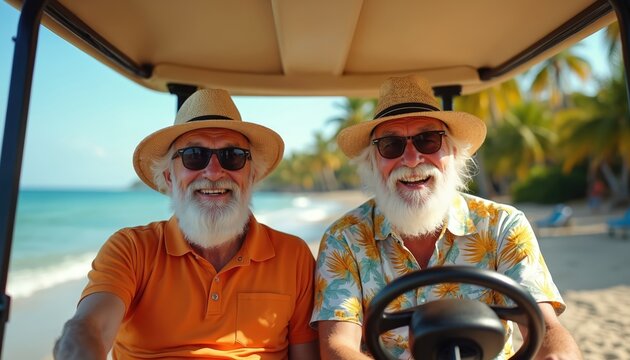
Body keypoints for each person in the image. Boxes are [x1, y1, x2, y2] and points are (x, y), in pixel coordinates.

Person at [310, 75, 581, 359]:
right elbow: (337, 346)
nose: (412, 159)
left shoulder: (502, 225)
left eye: (428, 140)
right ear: (373, 161)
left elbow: (547, 328)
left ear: (453, 151)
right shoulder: (344, 238)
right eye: (391, 145)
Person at [54, 89, 319, 359]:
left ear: (252, 175)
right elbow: (89, 327)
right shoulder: (132, 249)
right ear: (169, 177)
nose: (214, 172)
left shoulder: (293, 256)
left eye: (232, 156)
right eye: (194, 155)